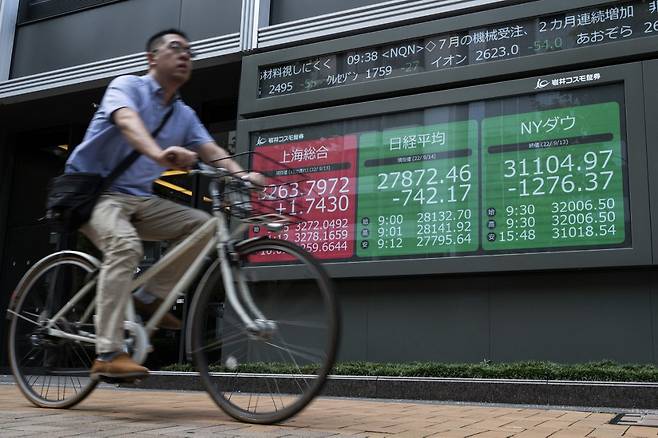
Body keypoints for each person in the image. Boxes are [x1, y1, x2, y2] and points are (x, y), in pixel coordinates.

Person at [65, 29, 258, 381]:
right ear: (152, 58)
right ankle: (108, 351)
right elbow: (127, 122)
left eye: (189, 51)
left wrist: (242, 175)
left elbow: (210, 150)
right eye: (176, 48)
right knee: (125, 246)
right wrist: (160, 154)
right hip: (95, 195)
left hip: (139, 200)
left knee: (202, 226)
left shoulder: (183, 114)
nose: (185, 55)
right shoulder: (127, 87)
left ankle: (149, 297)